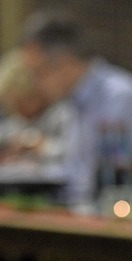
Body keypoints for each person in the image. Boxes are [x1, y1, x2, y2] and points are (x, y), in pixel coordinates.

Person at [19, 10, 132, 211]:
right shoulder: (71, 103)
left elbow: (117, 181)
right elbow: (74, 173)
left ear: (64, 64)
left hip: (116, 220)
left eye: (38, 73)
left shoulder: (120, 96)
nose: (35, 84)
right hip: (81, 212)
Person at [0, 48, 76, 198]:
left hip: (58, 192)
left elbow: (74, 155)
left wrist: (42, 146)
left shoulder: (65, 112)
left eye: (21, 104)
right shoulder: (18, 120)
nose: (18, 112)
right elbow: (7, 134)